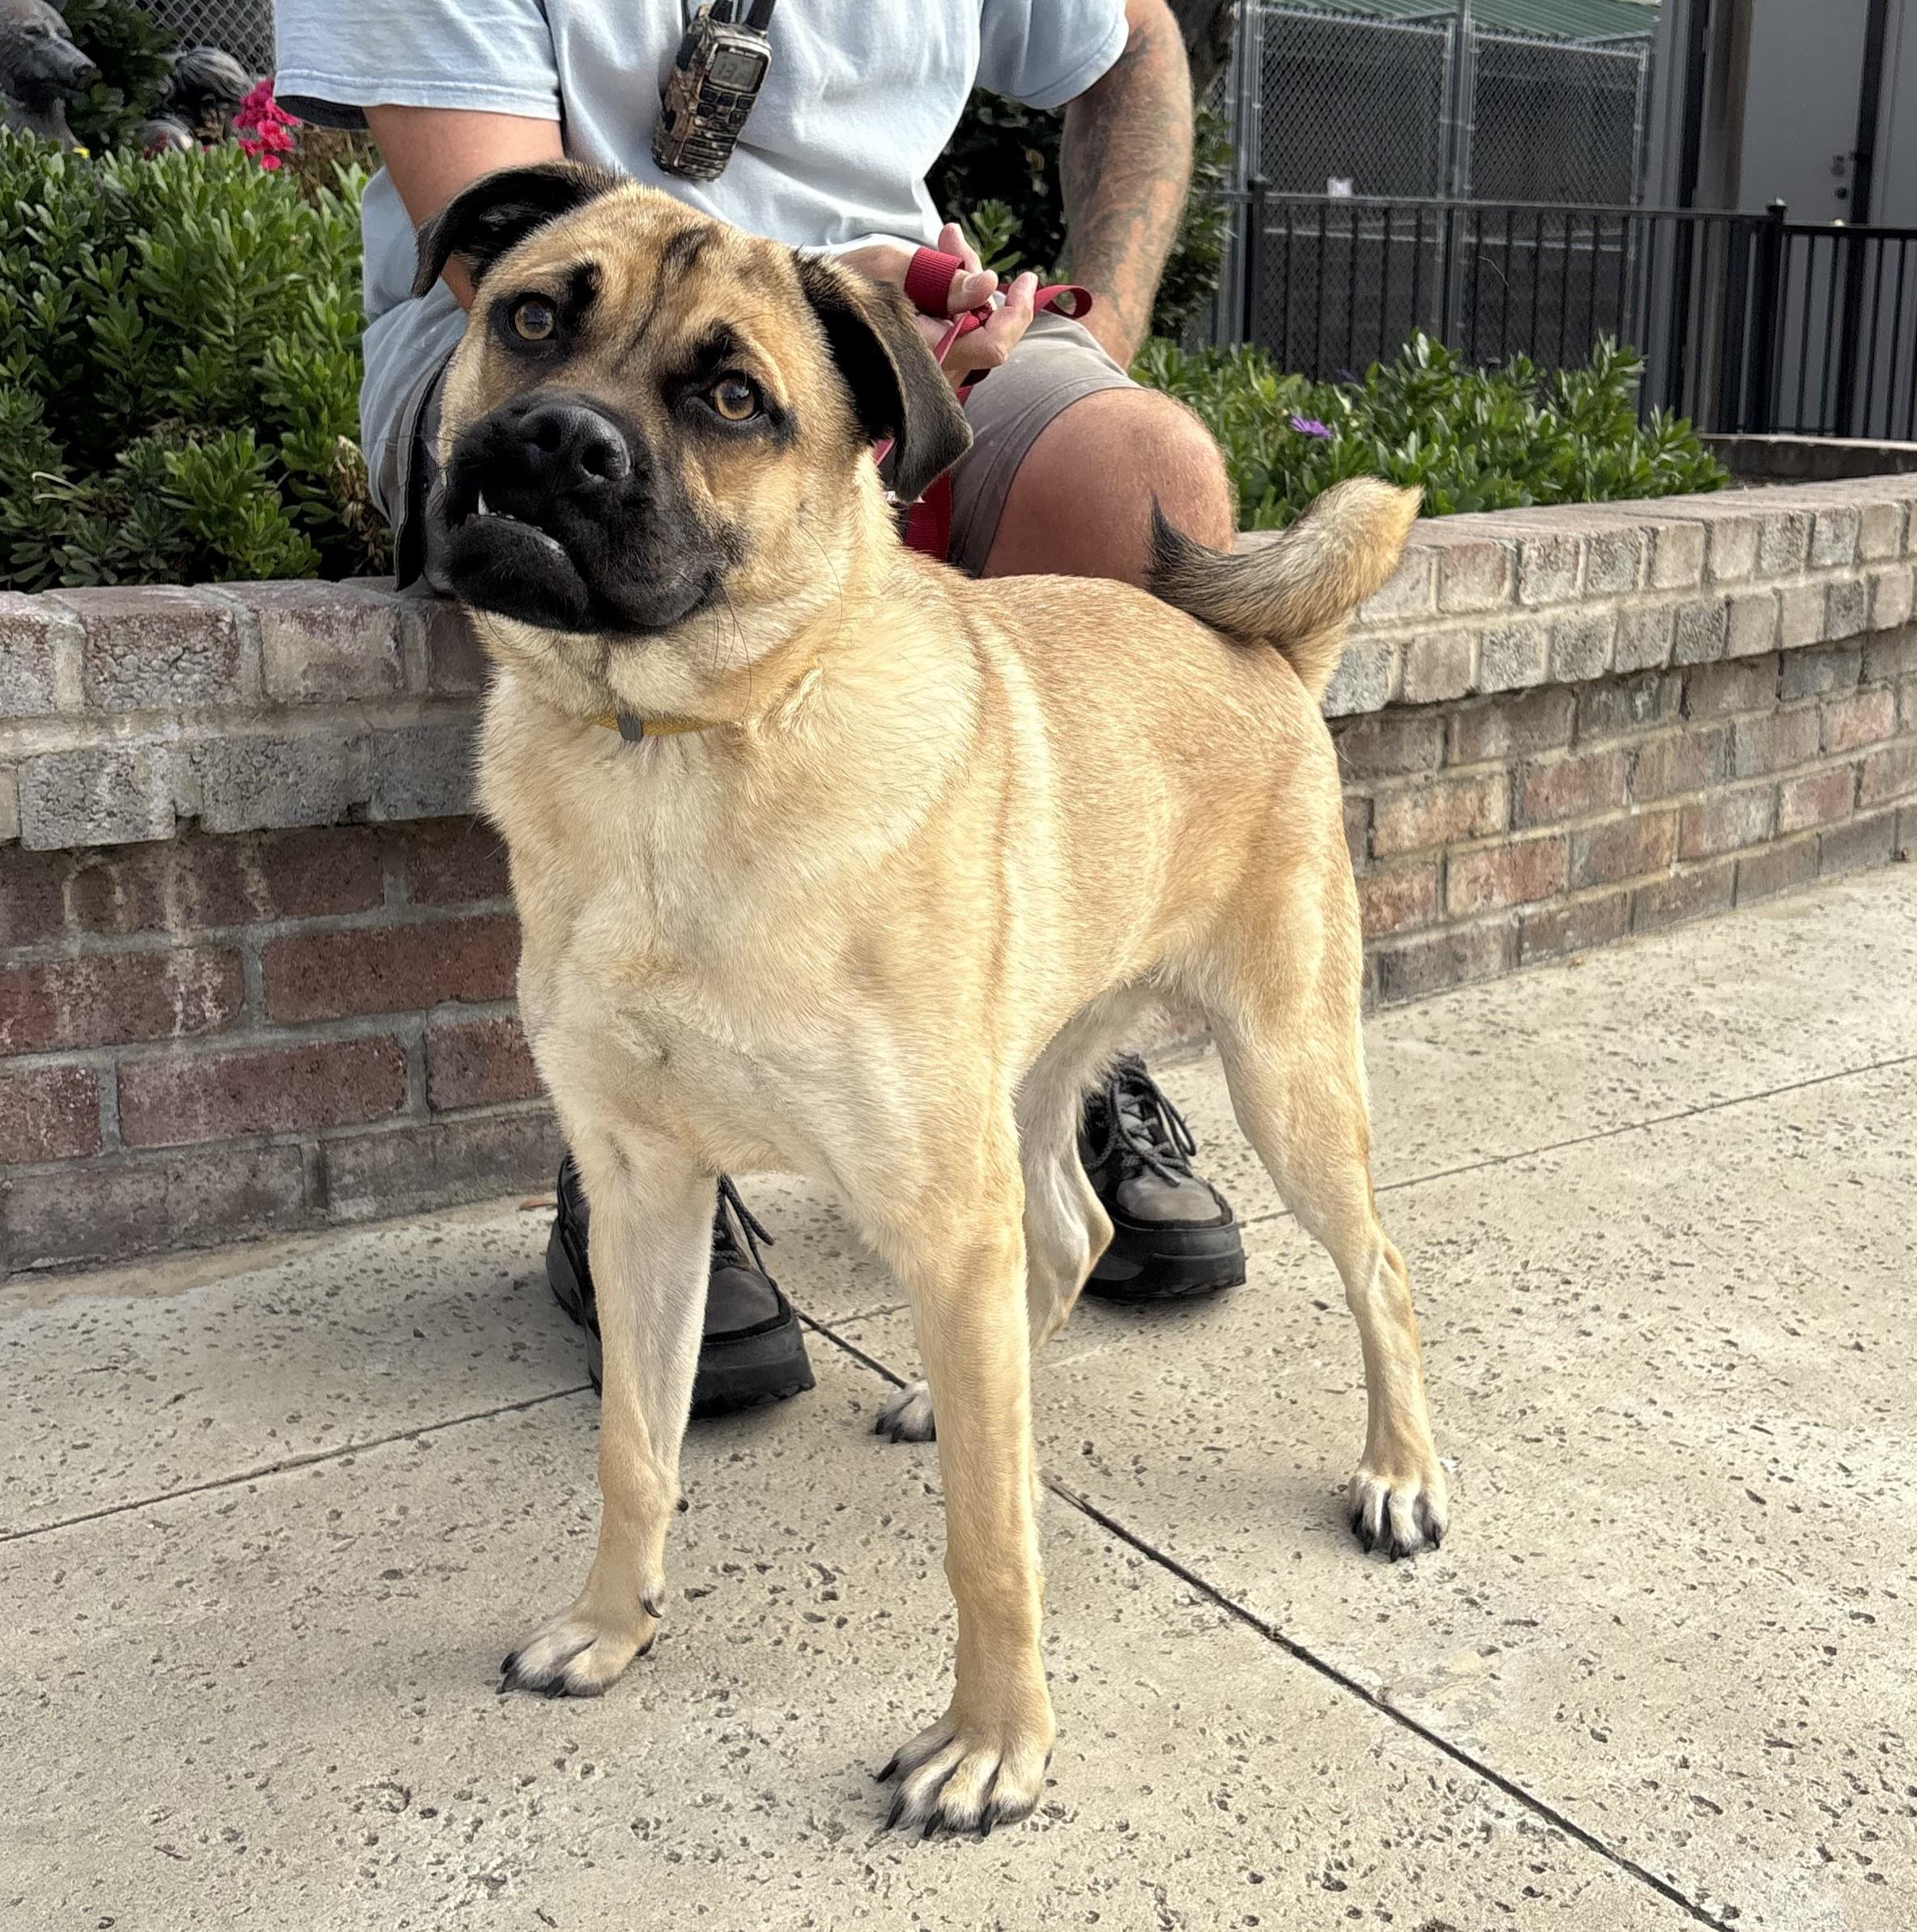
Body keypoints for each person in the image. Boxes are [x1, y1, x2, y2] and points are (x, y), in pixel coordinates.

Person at [275, 0, 1248, 1411]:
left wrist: (1092, 323)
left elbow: (1134, 41)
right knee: (607, 467)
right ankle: (639, 1129)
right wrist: (786, 326)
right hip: (549, 328)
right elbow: (495, 239)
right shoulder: (540, 300)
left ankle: (1048, 1052)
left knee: (1140, 467)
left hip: (868, 338)